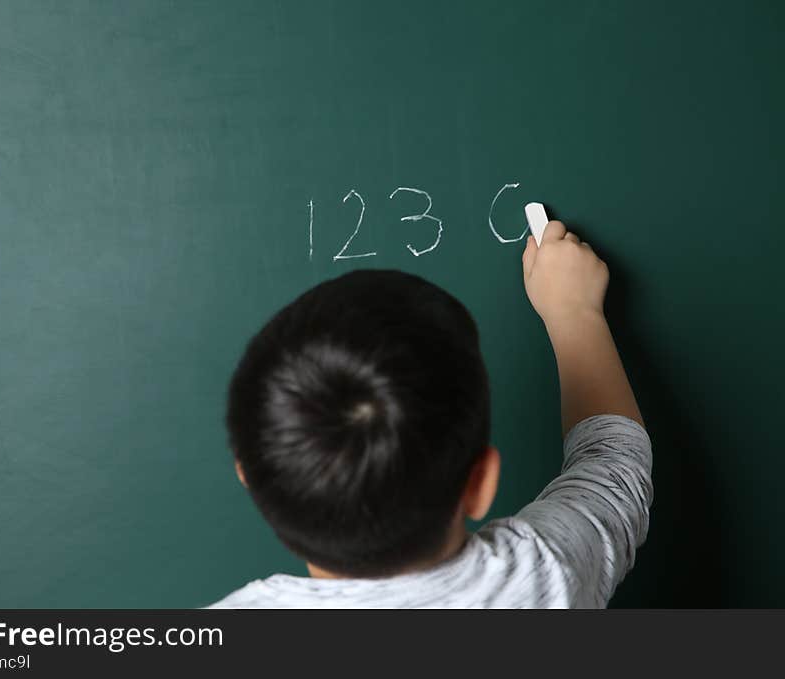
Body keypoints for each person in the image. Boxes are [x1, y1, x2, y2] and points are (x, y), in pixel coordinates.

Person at [211, 220, 652, 608]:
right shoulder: (548, 577)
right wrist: (574, 313)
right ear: (480, 485)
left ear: (248, 472)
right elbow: (615, 470)